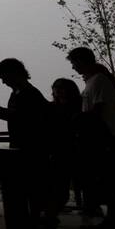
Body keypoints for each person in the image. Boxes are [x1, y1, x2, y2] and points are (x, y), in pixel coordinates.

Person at [0, 58, 57, 229]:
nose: (3, 81)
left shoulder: (28, 95)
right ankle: (38, 226)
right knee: (33, 190)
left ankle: (41, 226)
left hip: (32, 149)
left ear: (14, 74)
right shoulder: (23, 93)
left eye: (4, 77)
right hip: (26, 148)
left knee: (35, 190)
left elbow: (26, 118)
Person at [66, 47, 115, 229]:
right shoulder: (95, 80)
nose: (73, 66)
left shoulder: (98, 81)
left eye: (74, 62)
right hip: (102, 140)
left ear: (81, 61)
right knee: (111, 184)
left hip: (106, 140)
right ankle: (114, 222)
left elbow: (98, 110)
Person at [48, 78, 82, 217]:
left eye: (60, 88)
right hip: (65, 146)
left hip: (65, 146)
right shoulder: (77, 106)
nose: (58, 91)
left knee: (61, 178)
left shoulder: (55, 108)